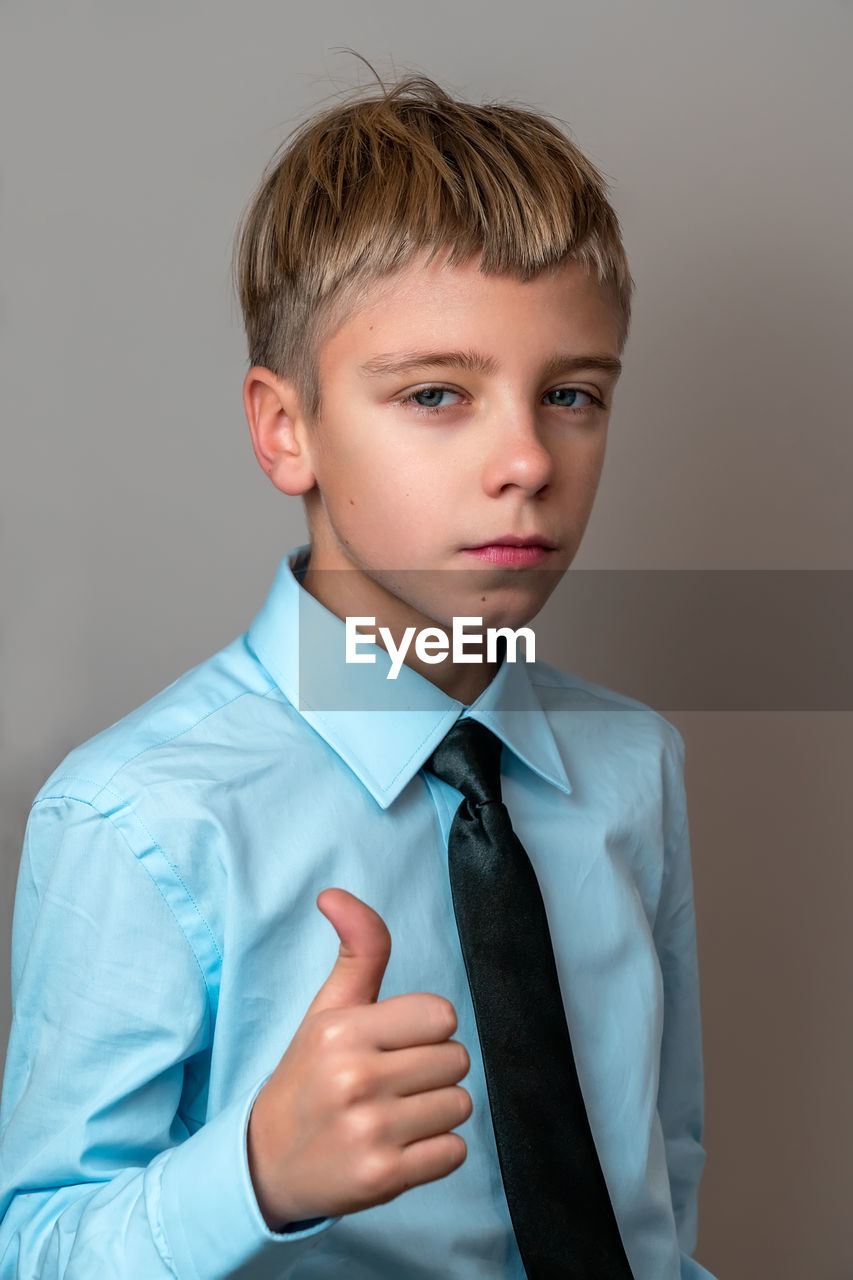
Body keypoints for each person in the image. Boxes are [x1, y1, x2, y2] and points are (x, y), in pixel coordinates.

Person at [0, 73, 715, 1278]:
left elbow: (660, 1169)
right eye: (436, 393)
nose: (529, 458)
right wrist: (255, 1171)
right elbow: (35, 1246)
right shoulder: (142, 814)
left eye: (572, 394)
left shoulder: (634, 765)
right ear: (288, 429)